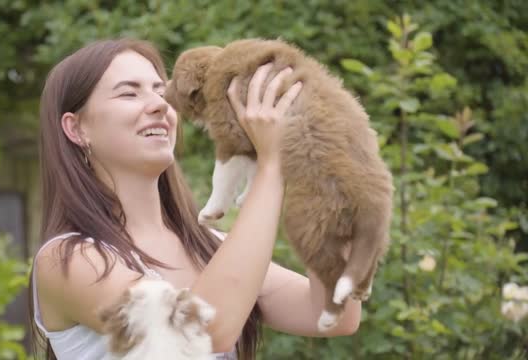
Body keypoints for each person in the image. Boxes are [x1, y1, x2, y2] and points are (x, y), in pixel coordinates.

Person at [29, 38, 361, 360]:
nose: (161, 104)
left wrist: (326, 162)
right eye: (129, 93)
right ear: (76, 129)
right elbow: (201, 334)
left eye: (161, 90)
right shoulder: (69, 260)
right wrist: (269, 166)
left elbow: (332, 312)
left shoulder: (208, 247)